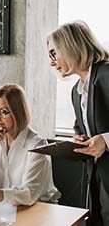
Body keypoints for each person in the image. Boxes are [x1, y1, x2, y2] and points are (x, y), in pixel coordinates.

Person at [47, 20, 109, 226]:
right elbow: (85, 127)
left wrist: (106, 141)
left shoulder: (106, 75)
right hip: (98, 182)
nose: (51, 62)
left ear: (70, 46)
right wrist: (80, 138)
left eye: (53, 53)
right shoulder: (77, 91)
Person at [0, 84, 60, 205]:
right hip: (3, 208)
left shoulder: (37, 144)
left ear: (18, 112)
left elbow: (30, 193)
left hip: (38, 208)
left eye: (3, 112)